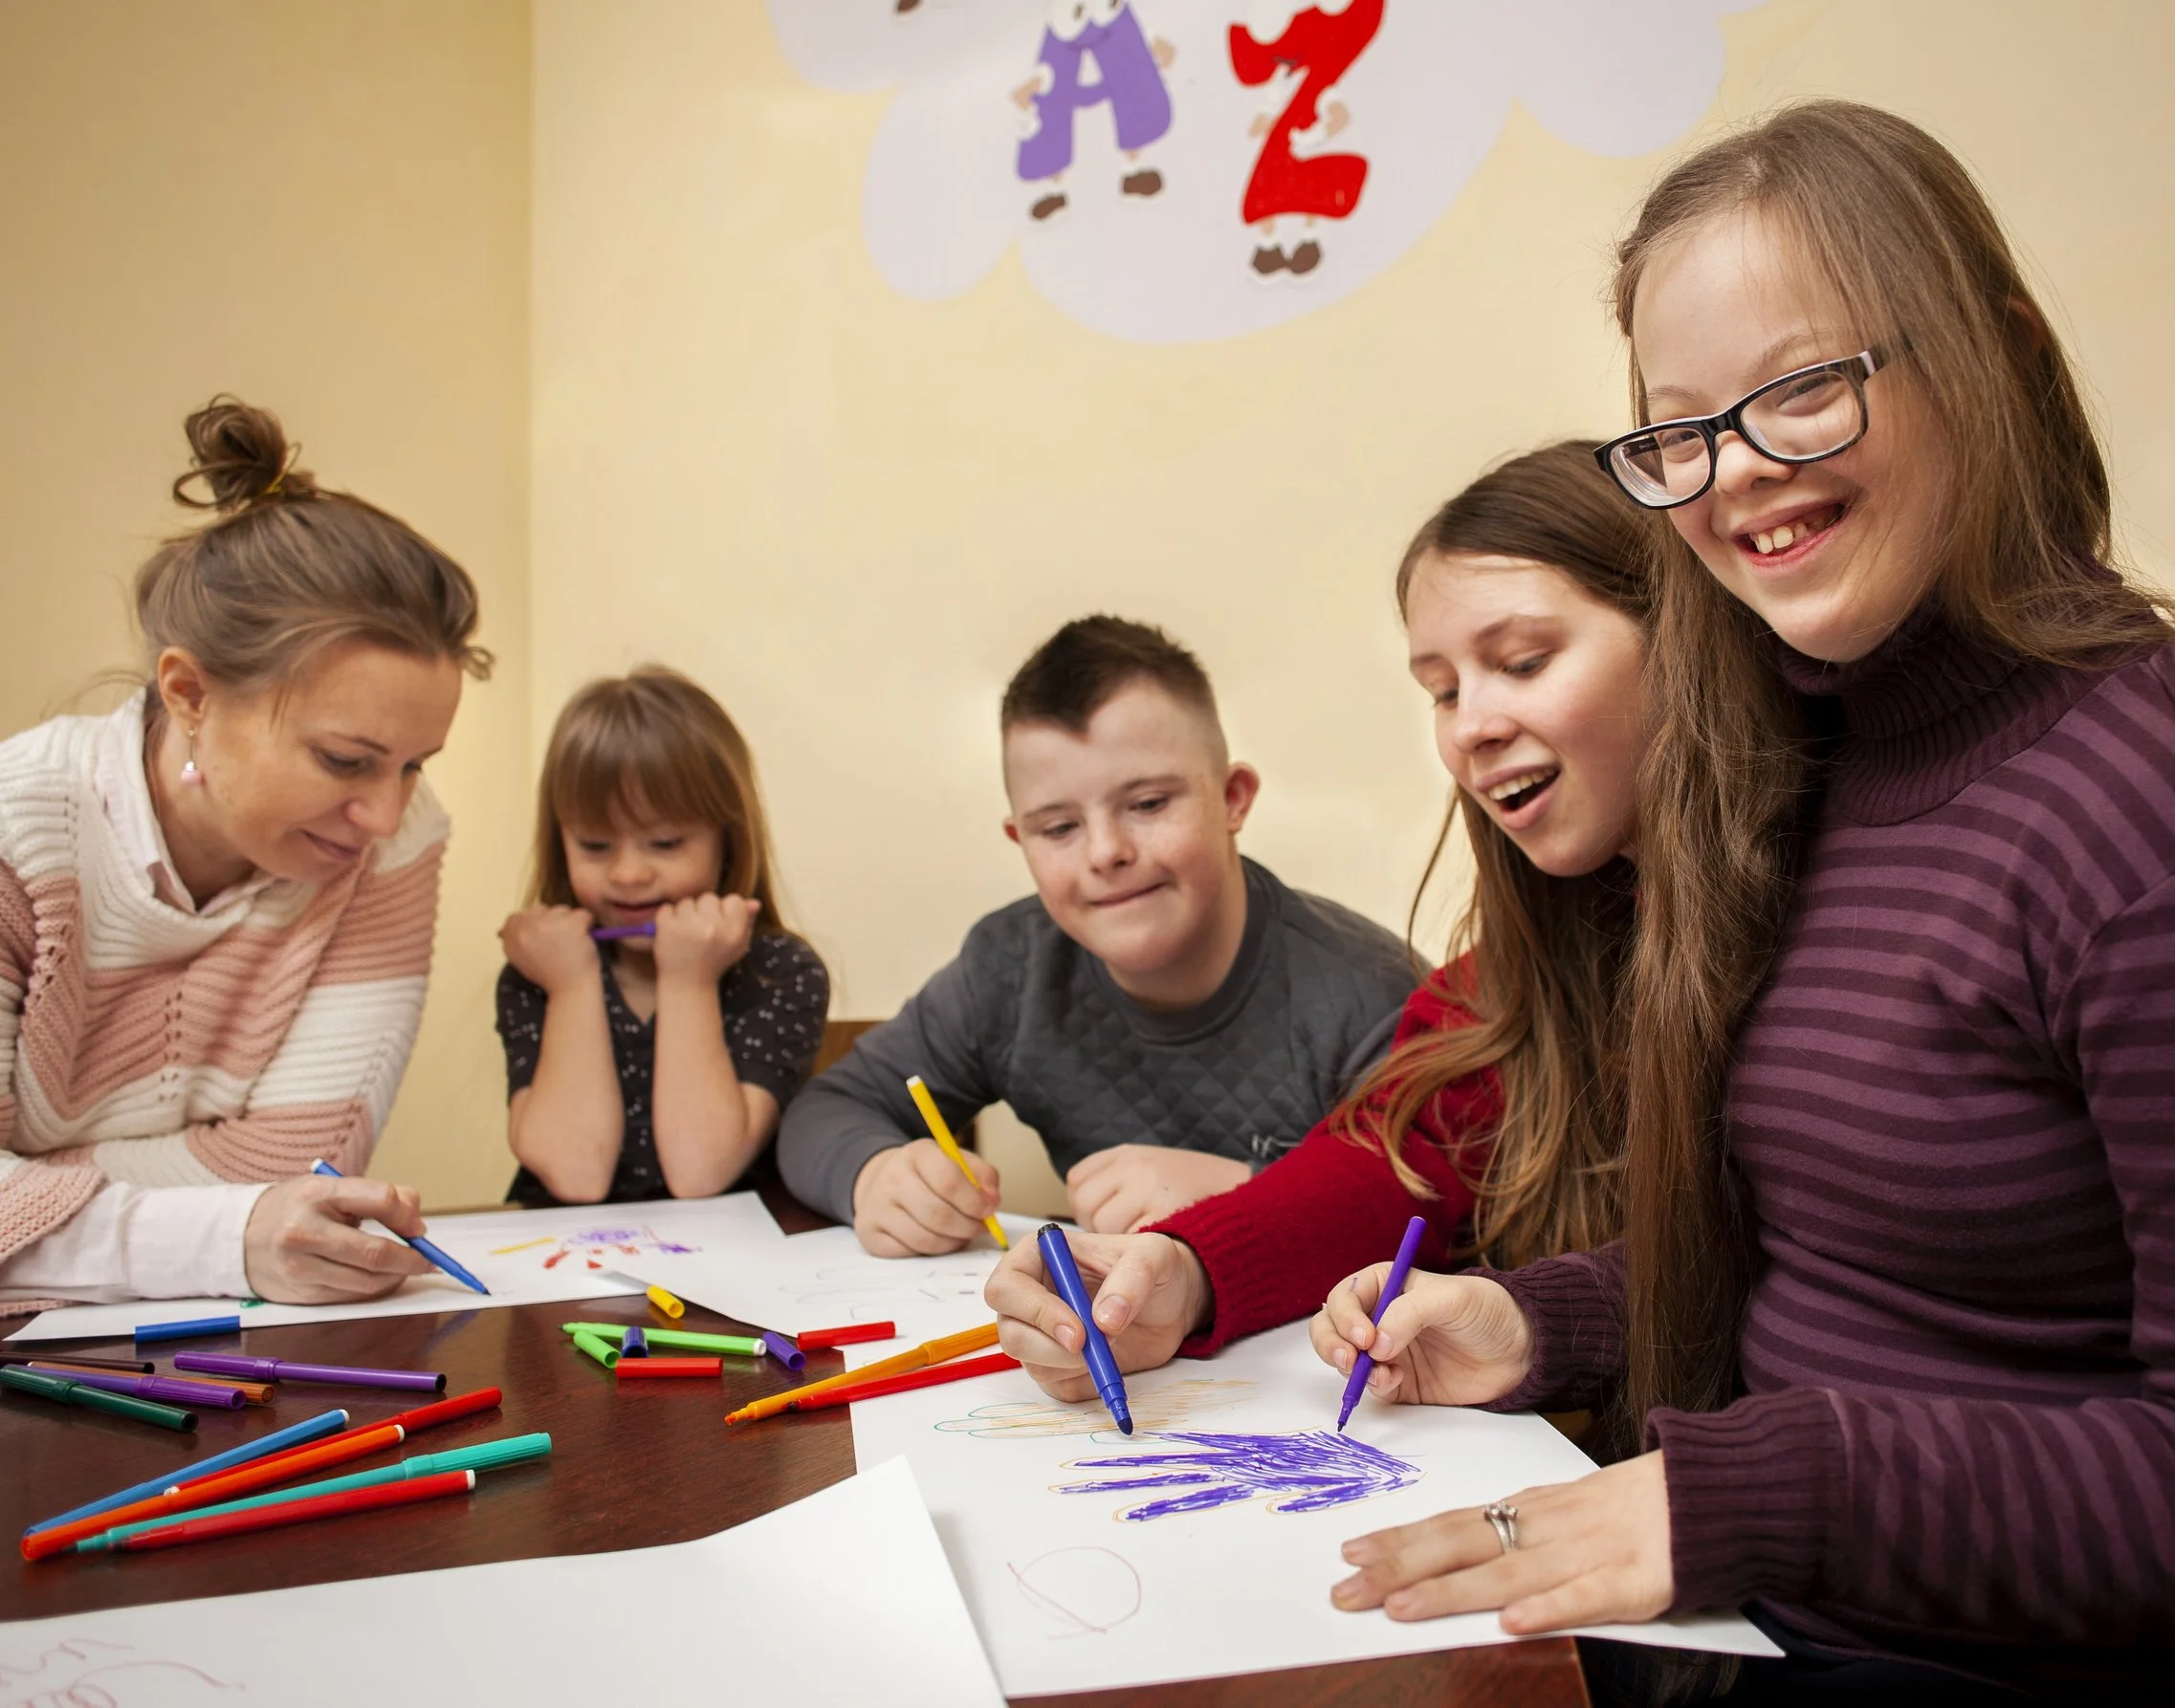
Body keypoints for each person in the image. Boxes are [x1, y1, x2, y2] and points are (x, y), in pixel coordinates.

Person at [1318, 101, 2175, 1705]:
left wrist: (1770, 1493)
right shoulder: (1795, 760)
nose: (1738, 473)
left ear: (1999, 357)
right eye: (1680, 429)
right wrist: (1534, 1324)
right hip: (1785, 1616)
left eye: (1805, 388)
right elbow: (1846, 1265)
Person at [984, 448, 1663, 1426]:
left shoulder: (1831, 928)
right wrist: (1183, 1272)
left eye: (1520, 662)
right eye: (1441, 688)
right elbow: (1395, 1153)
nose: (1467, 726)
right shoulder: (1520, 968)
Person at [0, 397, 491, 1310]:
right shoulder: (16, 836)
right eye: (344, 760)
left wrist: (38, 1188)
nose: (385, 813)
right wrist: (226, 1230)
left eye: (414, 765)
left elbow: (297, 1163)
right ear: (189, 694)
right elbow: (260, 1205)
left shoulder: (396, 841)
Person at [779, 615, 1415, 1256]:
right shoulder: (1009, 967)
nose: (1107, 852)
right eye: (1058, 829)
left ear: (1232, 799)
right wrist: (871, 1175)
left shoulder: (1374, 996)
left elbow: (1465, 1216)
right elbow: (824, 1110)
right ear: (1020, 840)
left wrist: (1252, 1198)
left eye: (1148, 805)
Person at [499, 668, 828, 1206]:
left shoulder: (779, 970)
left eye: (666, 842)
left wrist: (689, 979)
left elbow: (699, 1172)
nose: (628, 873)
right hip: (568, 1270)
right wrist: (573, 984)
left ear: (728, 839)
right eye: (595, 845)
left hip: (737, 1270)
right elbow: (575, 1175)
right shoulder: (543, 969)